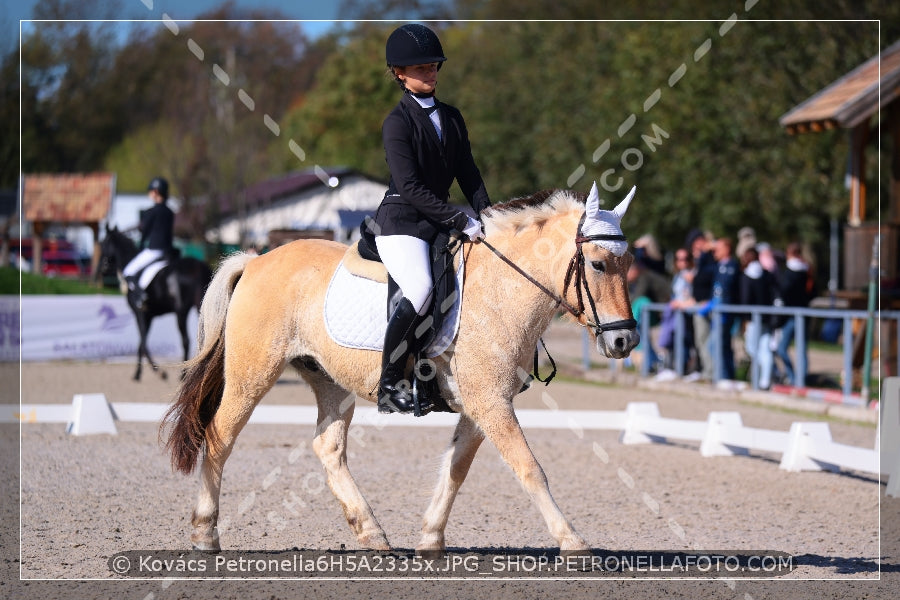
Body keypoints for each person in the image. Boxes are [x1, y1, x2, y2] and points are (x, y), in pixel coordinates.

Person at [372, 24, 491, 414]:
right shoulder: (397, 122)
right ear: (399, 73)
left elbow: (468, 174)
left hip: (437, 219)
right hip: (402, 220)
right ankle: (389, 385)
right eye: (420, 68)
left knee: (461, 285)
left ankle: (431, 381)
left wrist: (488, 216)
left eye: (433, 66)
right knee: (421, 288)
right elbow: (409, 187)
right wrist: (459, 218)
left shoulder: (453, 117)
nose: (430, 72)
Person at [122, 177, 175, 309]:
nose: (149, 194)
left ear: (156, 192)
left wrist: (140, 247)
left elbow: (144, 232)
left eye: (150, 191)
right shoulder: (170, 212)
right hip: (167, 250)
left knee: (128, 272)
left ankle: (140, 295)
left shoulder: (151, 212)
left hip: (154, 249)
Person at [739, 246, 778, 390]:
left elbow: (744, 299)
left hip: (753, 320)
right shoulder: (767, 274)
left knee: (753, 349)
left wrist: (744, 319)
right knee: (765, 349)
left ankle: (761, 379)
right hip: (767, 318)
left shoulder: (746, 276)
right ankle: (764, 380)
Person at [774, 242, 812, 386]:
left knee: (782, 347)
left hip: (792, 315)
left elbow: (785, 292)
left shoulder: (790, 273)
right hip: (802, 314)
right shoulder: (807, 270)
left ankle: (795, 378)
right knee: (800, 348)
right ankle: (799, 379)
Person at [685, 229, 715, 382]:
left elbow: (708, 278)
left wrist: (704, 254)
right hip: (700, 306)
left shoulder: (710, 258)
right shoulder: (702, 259)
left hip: (707, 306)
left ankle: (710, 373)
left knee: (705, 340)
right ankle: (706, 370)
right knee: (701, 340)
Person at [711, 236, 740, 381]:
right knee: (722, 345)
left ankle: (724, 377)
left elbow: (726, 288)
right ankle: (727, 376)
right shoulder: (717, 266)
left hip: (725, 313)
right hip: (717, 312)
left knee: (716, 345)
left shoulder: (732, 266)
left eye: (718, 248)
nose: (714, 251)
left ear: (727, 249)